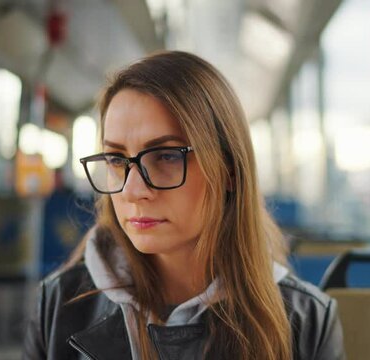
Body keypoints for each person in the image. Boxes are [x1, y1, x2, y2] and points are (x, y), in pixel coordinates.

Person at [23, 51, 344, 359]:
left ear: (228, 172)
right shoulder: (58, 305)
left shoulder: (307, 323)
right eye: (116, 159)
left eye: (166, 156)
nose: (134, 191)